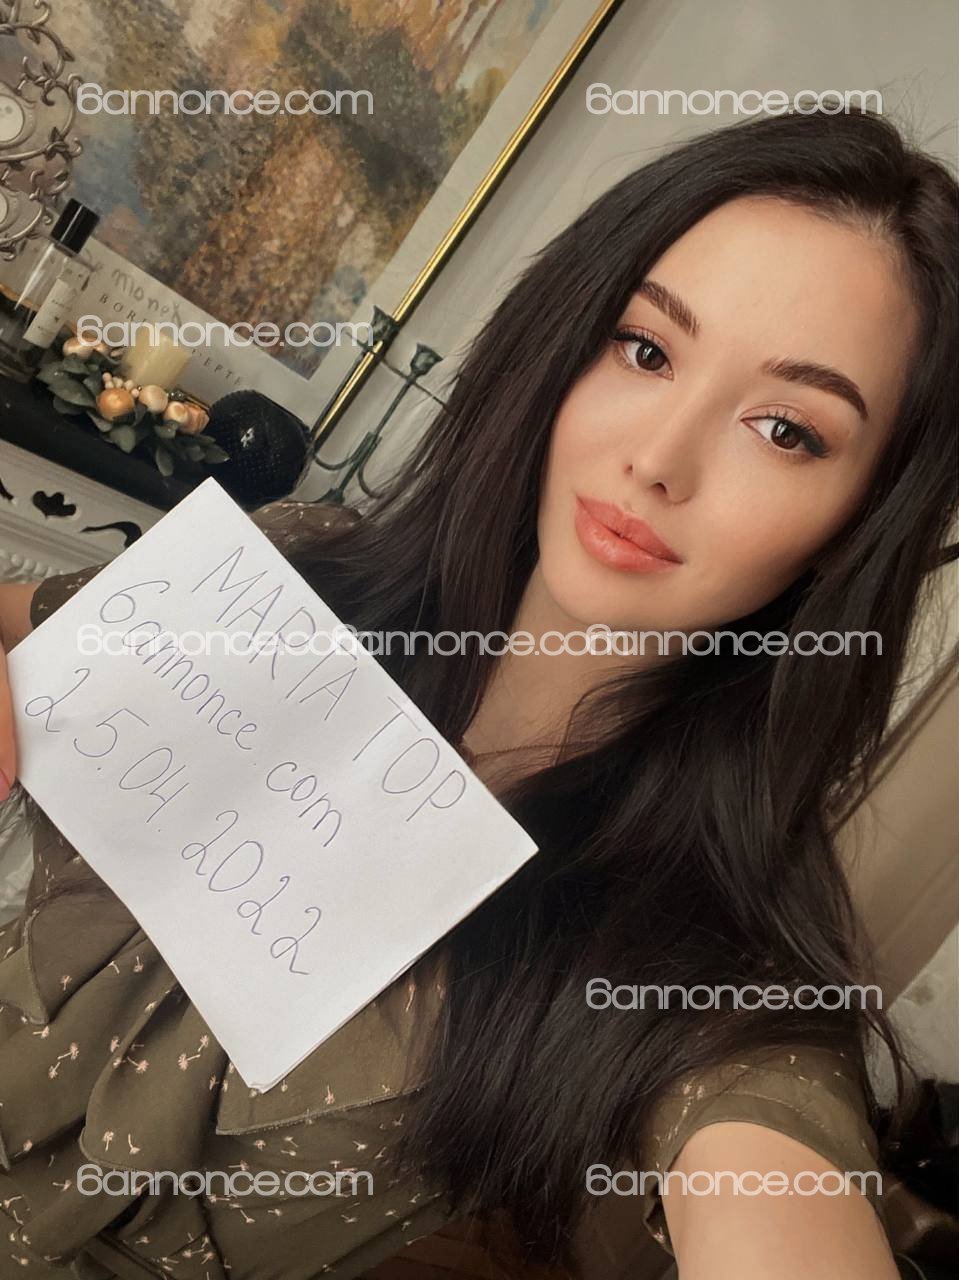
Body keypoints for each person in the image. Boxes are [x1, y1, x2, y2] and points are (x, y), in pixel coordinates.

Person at [0, 105, 956, 1280]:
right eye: (644, 349)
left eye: (783, 428)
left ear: (859, 521)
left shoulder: (708, 963)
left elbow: (772, 1178)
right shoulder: (301, 569)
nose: (656, 458)